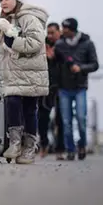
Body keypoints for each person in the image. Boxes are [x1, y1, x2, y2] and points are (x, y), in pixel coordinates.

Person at [0, 0, 49, 164]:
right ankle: (15, 143)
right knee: (12, 105)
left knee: (29, 110)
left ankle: (29, 147)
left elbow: (35, 43)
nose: (3, 2)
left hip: (31, 72)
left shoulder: (29, 18)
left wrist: (13, 41)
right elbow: (4, 50)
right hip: (12, 75)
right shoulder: (6, 21)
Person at [54, 18, 99, 161]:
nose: (63, 30)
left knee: (81, 118)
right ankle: (70, 149)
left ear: (72, 29)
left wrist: (81, 68)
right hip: (64, 88)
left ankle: (82, 145)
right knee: (66, 122)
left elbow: (95, 64)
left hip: (80, 88)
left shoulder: (87, 44)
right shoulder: (59, 45)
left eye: (65, 28)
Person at [38, 22, 65, 158]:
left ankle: (60, 149)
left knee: (61, 120)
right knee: (42, 118)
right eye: (48, 33)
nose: (50, 35)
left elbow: (69, 62)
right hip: (45, 86)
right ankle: (44, 144)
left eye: (52, 32)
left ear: (59, 32)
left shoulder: (65, 45)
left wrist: (56, 57)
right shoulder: (43, 45)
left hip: (62, 87)